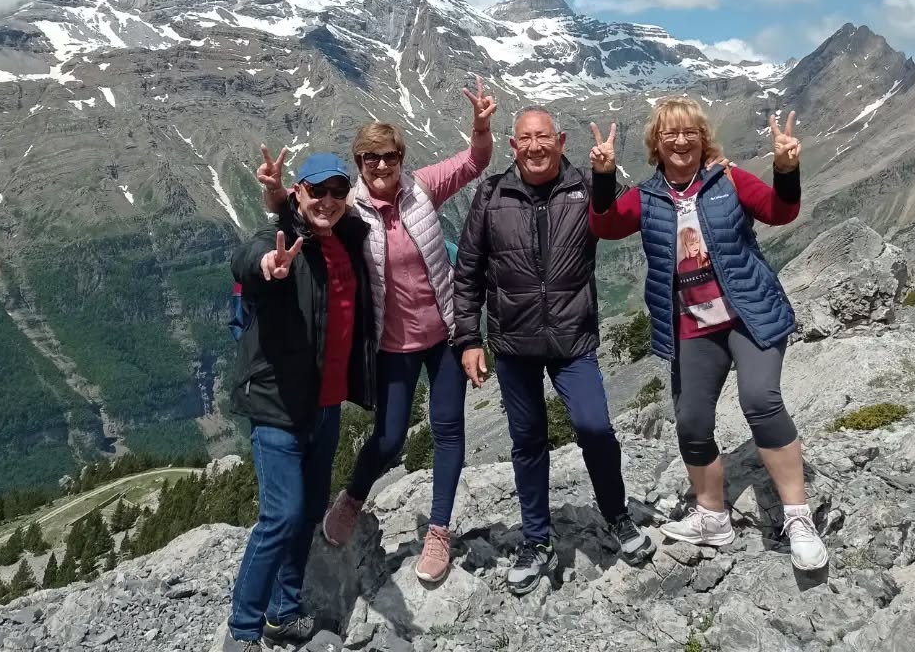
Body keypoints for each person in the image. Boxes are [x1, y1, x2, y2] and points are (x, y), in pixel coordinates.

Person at [259, 79, 497, 583]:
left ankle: (439, 530)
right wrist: (277, 193)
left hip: (446, 335)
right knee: (388, 439)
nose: (382, 165)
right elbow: (304, 214)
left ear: (401, 158)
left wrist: (480, 126)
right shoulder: (349, 208)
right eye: (371, 158)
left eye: (390, 156)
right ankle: (353, 497)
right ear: (360, 163)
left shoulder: (423, 188)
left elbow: (475, 162)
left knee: (448, 429)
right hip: (392, 345)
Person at [587, 98, 828, 571]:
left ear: (703, 139)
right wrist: (603, 176)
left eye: (690, 132)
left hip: (749, 315)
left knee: (760, 400)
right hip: (692, 326)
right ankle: (712, 516)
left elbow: (780, 211)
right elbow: (607, 225)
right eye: (670, 134)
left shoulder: (728, 180)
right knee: (692, 422)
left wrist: (785, 168)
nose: (681, 141)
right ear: (656, 144)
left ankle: (798, 518)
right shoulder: (647, 197)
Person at [451, 106, 654, 595]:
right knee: (527, 442)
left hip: (572, 339)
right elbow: (468, 270)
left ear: (560, 141)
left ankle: (617, 515)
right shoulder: (492, 194)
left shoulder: (585, 186)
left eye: (543, 137)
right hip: (514, 342)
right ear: (513, 145)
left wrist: (605, 176)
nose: (535, 146)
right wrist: (468, 338)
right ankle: (537, 539)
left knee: (595, 427)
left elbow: (625, 215)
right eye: (525, 138)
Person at [224, 152, 376, 652]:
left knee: (308, 511)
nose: (327, 200)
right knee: (281, 516)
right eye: (317, 191)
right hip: (278, 408)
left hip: (325, 409)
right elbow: (246, 258)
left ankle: (283, 612)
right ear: (299, 193)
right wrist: (267, 265)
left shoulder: (346, 237)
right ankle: (241, 630)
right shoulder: (281, 239)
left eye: (337, 191)